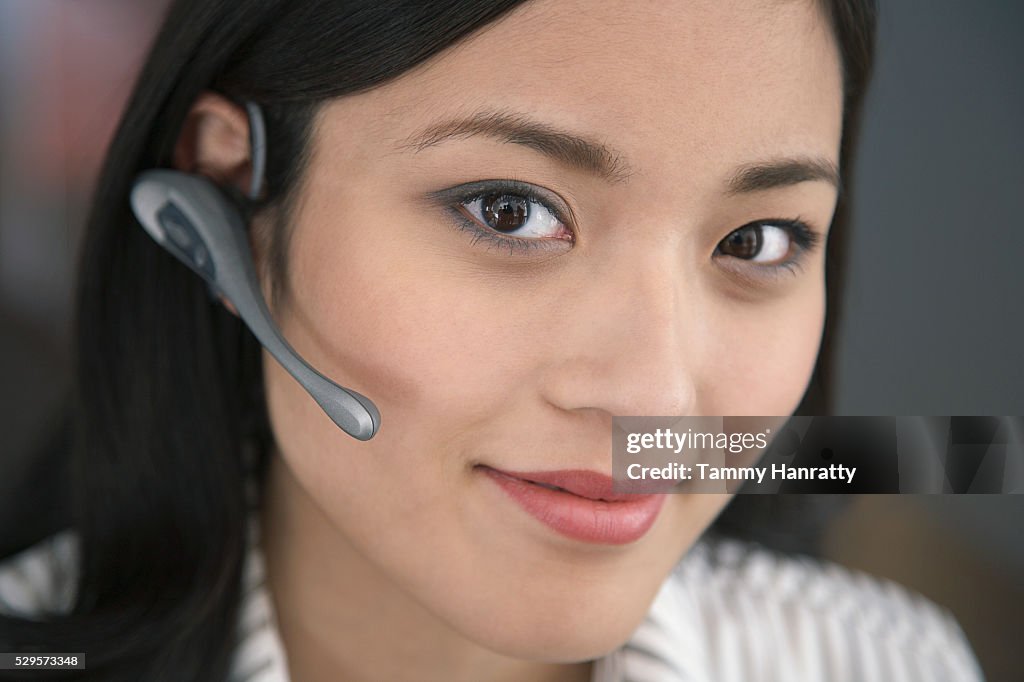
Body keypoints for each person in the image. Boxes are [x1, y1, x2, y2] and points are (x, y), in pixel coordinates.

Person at [0, 1, 985, 680]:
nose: (654, 396)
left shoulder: (883, 657)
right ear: (226, 210)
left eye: (757, 240)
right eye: (508, 211)